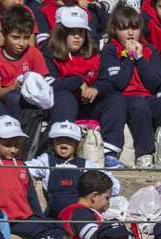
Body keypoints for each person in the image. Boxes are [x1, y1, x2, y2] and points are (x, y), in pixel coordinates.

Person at [100, 4, 161, 168]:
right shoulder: (110, 50)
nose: (130, 33)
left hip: (148, 96)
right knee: (139, 105)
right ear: (115, 30)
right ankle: (145, 153)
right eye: (124, 28)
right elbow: (119, 83)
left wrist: (141, 58)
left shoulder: (150, 49)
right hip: (125, 98)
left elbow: (154, 83)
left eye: (135, 28)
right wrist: (130, 57)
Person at [45, 5, 126, 167]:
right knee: (63, 96)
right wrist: (76, 82)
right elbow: (48, 86)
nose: (77, 37)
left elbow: (107, 81)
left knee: (115, 98)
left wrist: (96, 88)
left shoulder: (94, 54)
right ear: (61, 33)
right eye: (71, 32)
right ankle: (62, 150)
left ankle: (109, 152)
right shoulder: (48, 54)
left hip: (88, 104)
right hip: (62, 109)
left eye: (80, 33)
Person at [60, 169, 113, 239]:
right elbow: (93, 238)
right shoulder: (80, 212)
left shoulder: (78, 211)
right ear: (94, 196)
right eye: (107, 198)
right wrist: (114, 231)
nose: (107, 202)